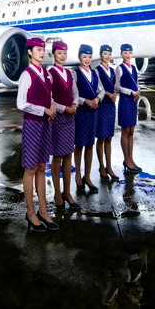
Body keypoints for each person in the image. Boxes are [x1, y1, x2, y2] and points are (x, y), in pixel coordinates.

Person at [16, 37, 59, 232]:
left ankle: (43, 210)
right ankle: (30, 212)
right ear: (30, 52)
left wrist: (52, 105)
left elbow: (49, 96)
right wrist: (43, 110)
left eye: (43, 49)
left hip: (46, 124)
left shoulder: (46, 73)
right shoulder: (27, 74)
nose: (42, 52)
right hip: (33, 124)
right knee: (31, 169)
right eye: (38, 49)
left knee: (42, 166)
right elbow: (21, 103)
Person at [47, 41, 80, 211]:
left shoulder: (69, 73)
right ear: (53, 54)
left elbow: (75, 92)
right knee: (58, 157)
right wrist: (64, 108)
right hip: (58, 119)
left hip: (70, 118)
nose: (62, 56)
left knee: (68, 155)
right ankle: (57, 193)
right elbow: (49, 98)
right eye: (59, 53)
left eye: (64, 53)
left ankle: (67, 192)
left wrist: (74, 105)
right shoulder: (50, 73)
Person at [73, 44, 104, 194]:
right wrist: (85, 101)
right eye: (84, 56)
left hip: (93, 113)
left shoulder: (94, 72)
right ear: (79, 57)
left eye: (89, 57)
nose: (87, 59)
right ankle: (78, 175)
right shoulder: (75, 73)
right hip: (81, 113)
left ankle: (87, 176)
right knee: (79, 145)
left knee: (90, 145)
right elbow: (74, 95)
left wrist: (97, 99)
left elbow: (101, 90)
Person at [115, 43, 141, 173]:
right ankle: (126, 159)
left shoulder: (134, 68)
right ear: (121, 54)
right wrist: (130, 92)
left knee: (131, 131)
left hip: (133, 101)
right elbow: (117, 87)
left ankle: (131, 159)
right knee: (125, 131)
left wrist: (138, 91)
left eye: (130, 52)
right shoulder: (119, 68)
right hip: (125, 100)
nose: (128, 55)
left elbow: (136, 83)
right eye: (125, 52)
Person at [95, 44, 120, 182]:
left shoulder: (112, 70)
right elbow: (98, 87)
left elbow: (116, 85)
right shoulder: (97, 70)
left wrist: (116, 93)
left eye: (109, 54)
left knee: (109, 137)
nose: (107, 56)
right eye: (105, 54)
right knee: (101, 138)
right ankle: (101, 166)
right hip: (102, 105)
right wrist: (109, 94)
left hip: (111, 106)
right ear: (100, 55)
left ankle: (109, 166)